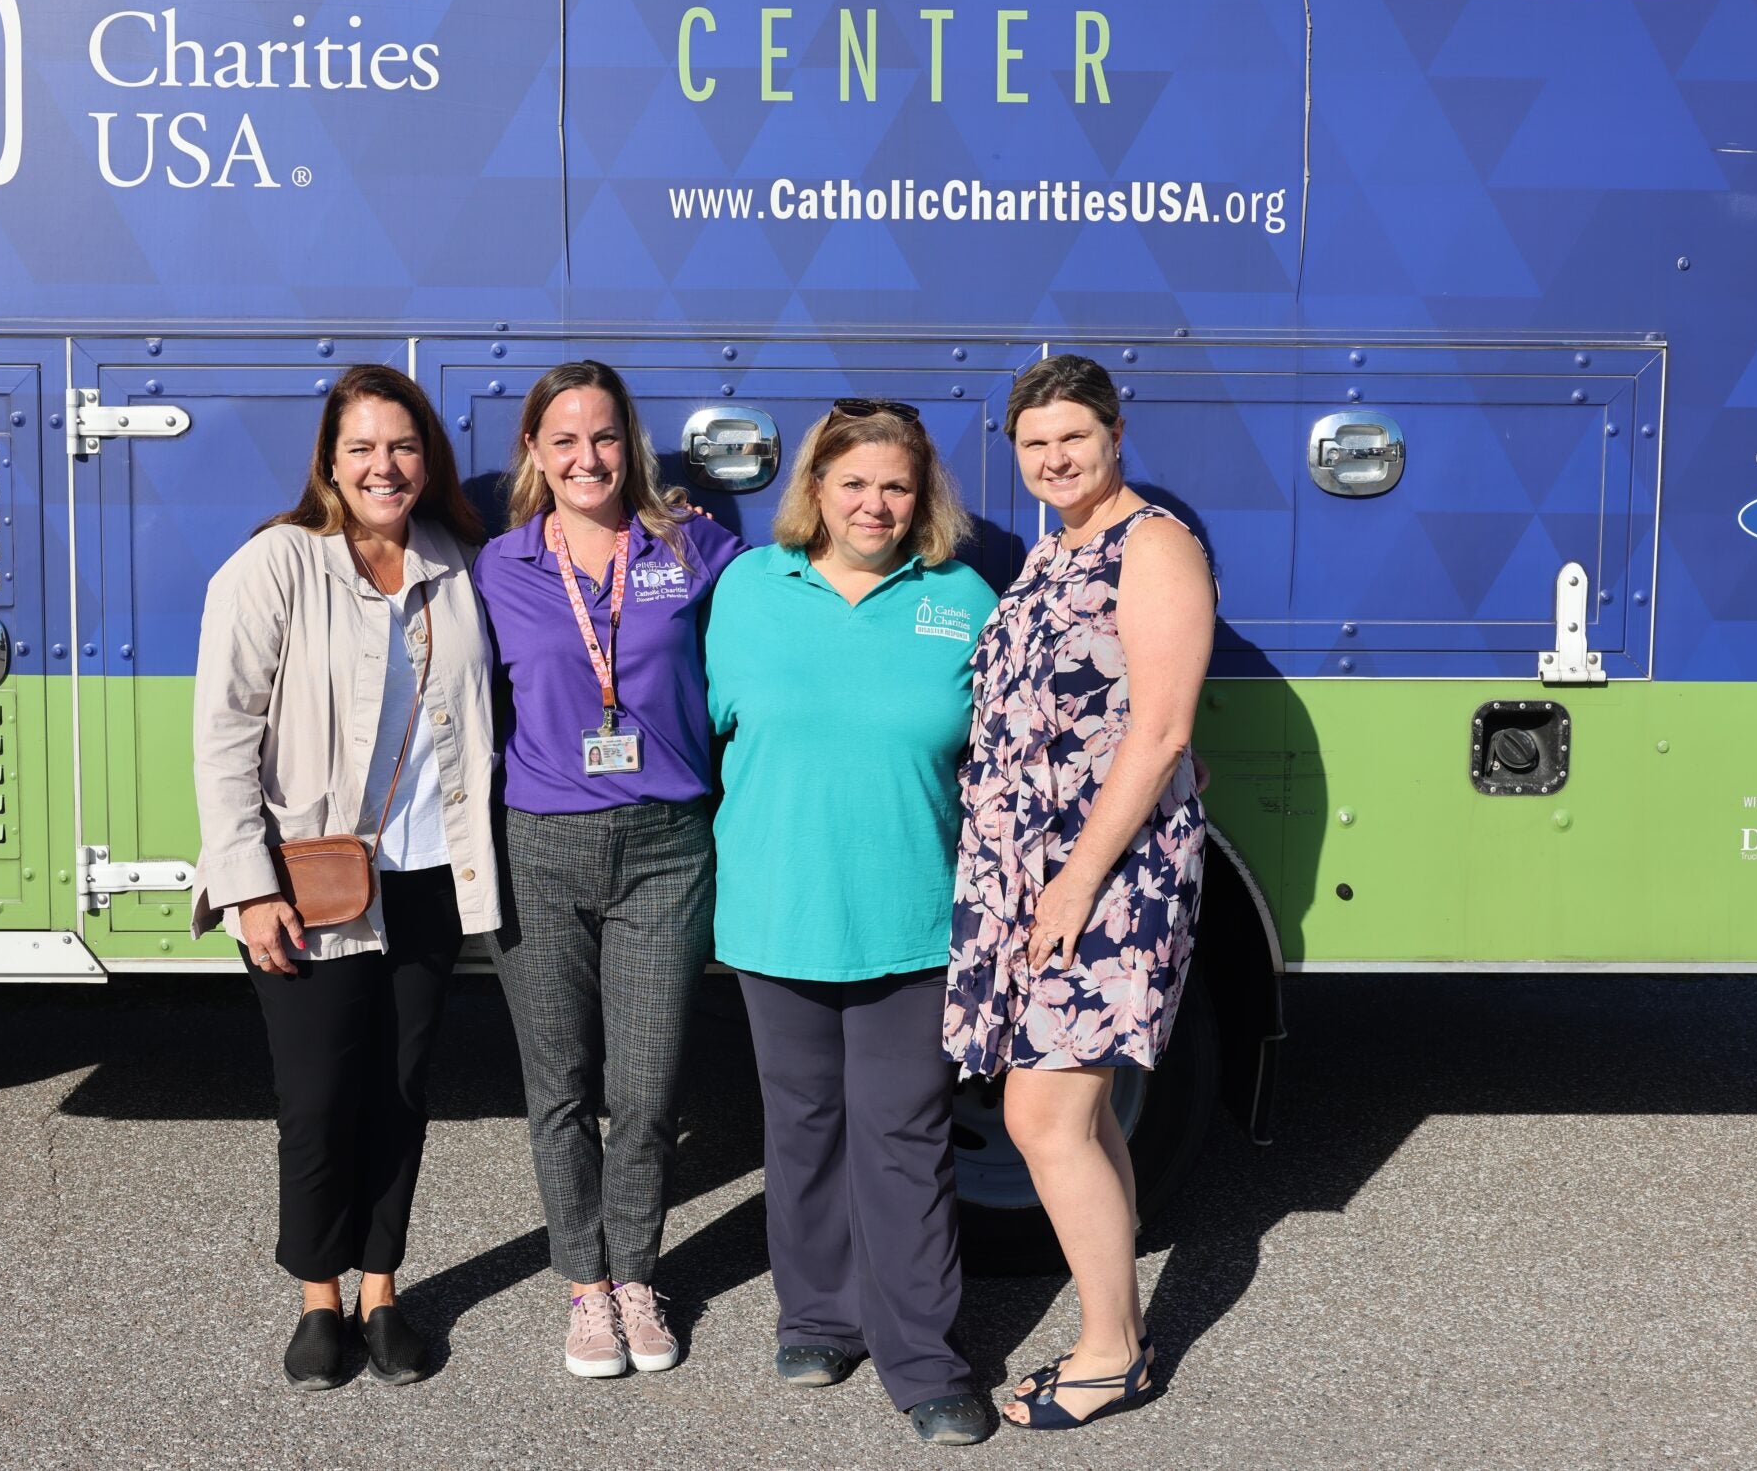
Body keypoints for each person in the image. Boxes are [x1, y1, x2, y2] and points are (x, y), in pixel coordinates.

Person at [190, 365, 503, 1390]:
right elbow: (224, 732)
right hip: (308, 884)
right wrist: (246, 882)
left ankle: (382, 1290)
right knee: (319, 1097)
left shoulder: (458, 563)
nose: (384, 465)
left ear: (429, 461)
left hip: (423, 879)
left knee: (399, 1092)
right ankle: (317, 1299)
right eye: (362, 447)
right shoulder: (276, 565)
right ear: (329, 460)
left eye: (403, 447)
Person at [702, 400, 1001, 1447]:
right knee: (802, 1128)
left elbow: (1011, 750)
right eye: (854, 482)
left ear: (923, 498)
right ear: (816, 490)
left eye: (897, 485)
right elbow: (697, 728)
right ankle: (819, 1318)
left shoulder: (962, 598)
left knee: (906, 1140)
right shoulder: (747, 588)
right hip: (777, 911)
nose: (875, 504)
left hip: (913, 919)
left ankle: (924, 1361)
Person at [944, 354, 1215, 1431]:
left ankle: (1111, 1352)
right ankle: (1121, 1329)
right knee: (1078, 1110)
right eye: (1035, 444)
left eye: (1074, 438)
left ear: (1115, 434)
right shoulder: (1056, 549)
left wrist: (1072, 883)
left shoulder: (1153, 546)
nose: (1055, 459)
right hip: (1036, 868)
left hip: (1098, 873)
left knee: (1042, 1112)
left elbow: (1159, 731)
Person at [474, 361, 743, 1378]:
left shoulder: (693, 547)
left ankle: (636, 1272)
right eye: (564, 440)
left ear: (627, 444)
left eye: (604, 437)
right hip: (538, 848)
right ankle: (584, 1288)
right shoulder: (498, 566)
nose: (586, 458)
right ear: (537, 455)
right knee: (560, 1085)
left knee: (645, 1087)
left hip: (667, 849)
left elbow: (766, 646)